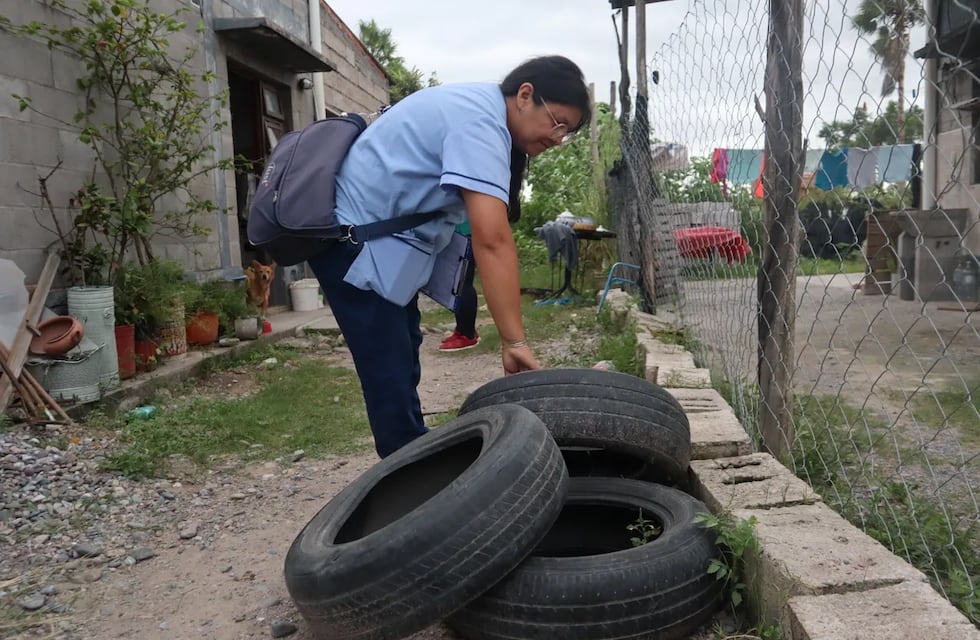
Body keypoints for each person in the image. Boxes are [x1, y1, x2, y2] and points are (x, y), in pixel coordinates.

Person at [308, 55, 591, 458]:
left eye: (568, 132)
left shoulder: (483, 113)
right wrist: (514, 341)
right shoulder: (479, 122)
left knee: (402, 349)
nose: (559, 138)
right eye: (558, 122)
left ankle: (412, 452)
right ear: (525, 95)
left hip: (377, 244)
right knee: (388, 367)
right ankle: (409, 475)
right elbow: (492, 239)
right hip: (356, 244)